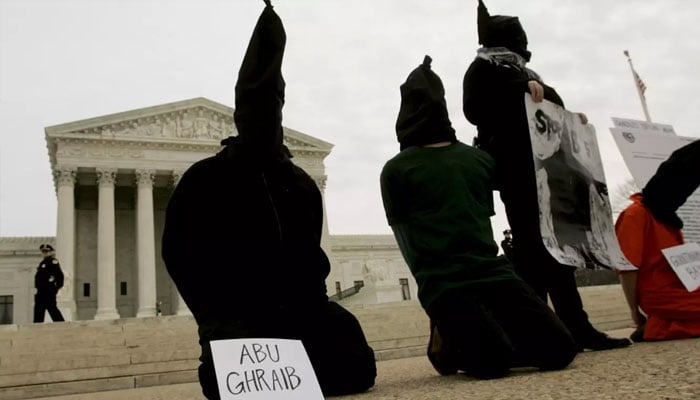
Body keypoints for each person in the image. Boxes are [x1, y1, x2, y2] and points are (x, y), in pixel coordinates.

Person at [161, 2, 375, 398]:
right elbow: (181, 256)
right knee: (241, 379)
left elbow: (311, 256)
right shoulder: (203, 178)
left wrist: (313, 306)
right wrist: (215, 323)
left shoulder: (299, 182)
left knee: (355, 362)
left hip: (301, 315)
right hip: (236, 325)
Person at [380, 55, 577, 380]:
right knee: (491, 364)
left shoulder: (473, 161)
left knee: (561, 350)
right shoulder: (400, 169)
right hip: (446, 282)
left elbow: (407, 241)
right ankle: (449, 337)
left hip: (494, 273)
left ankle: (476, 336)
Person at [462, 0, 630, 351]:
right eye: (519, 36)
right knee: (531, 250)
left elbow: (552, 104)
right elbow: (473, 111)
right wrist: (520, 90)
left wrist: (573, 120)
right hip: (517, 173)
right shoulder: (482, 70)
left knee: (559, 249)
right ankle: (534, 329)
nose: (525, 43)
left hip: (551, 173)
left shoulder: (528, 74)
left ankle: (575, 325)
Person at [616, 139, 700, 341]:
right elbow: (627, 269)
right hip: (659, 293)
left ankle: (663, 324)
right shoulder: (635, 215)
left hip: (681, 287)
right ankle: (657, 327)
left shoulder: (667, 216)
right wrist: (634, 311)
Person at [33, 244, 65, 323]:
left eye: (46, 251)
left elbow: (59, 275)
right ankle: (37, 325)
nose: (45, 253)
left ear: (50, 252)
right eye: (43, 251)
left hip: (49, 290)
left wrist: (56, 287)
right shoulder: (42, 263)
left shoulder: (53, 261)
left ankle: (60, 323)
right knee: (39, 308)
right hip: (41, 290)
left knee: (51, 307)